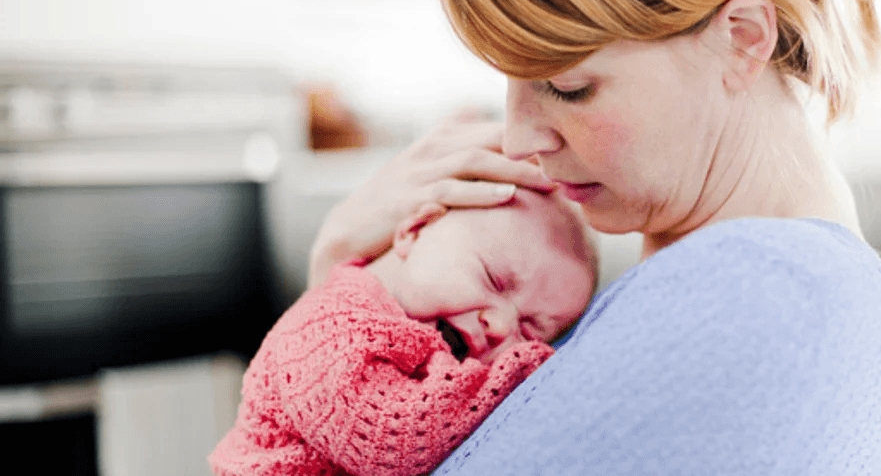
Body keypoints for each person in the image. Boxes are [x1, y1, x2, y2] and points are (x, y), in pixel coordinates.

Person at [310, 0, 881, 473]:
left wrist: (329, 294)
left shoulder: (751, 301)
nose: (519, 141)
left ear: (744, 38)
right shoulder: (743, 283)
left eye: (568, 87)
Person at [210, 188, 597, 476]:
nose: (501, 327)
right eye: (493, 280)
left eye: (530, 331)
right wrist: (522, 367)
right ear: (415, 230)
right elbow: (392, 440)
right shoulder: (331, 325)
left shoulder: (422, 329)